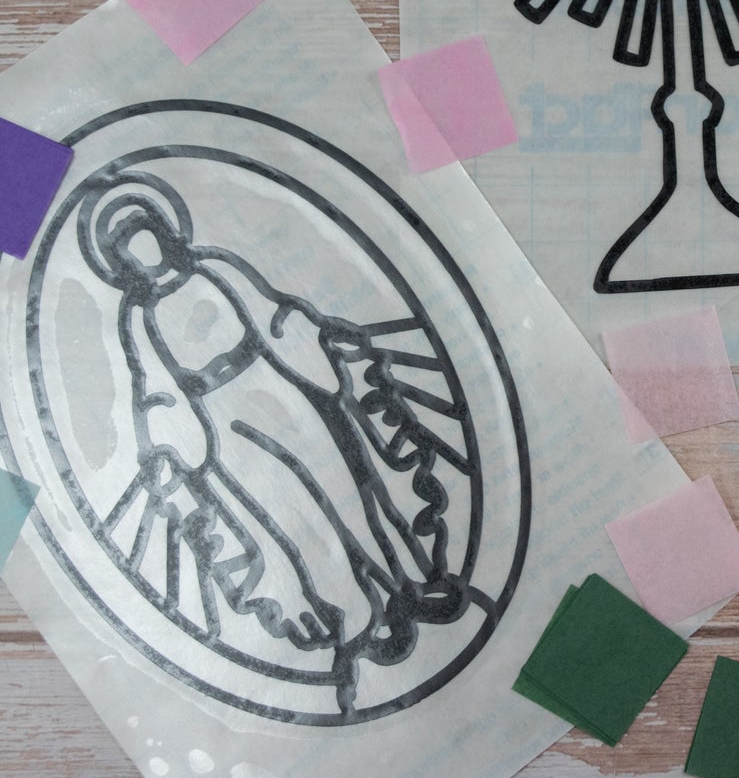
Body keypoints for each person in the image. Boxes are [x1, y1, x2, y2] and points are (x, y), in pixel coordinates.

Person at [75, 168, 470, 712]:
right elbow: (156, 391)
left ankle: (409, 584)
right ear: (124, 264)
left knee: (351, 489)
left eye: (147, 233)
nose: (145, 251)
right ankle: (353, 624)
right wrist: (178, 444)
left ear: (165, 231)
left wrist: (317, 350)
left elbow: (274, 316)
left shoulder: (213, 268)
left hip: (273, 385)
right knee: (298, 526)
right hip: (223, 423)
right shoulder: (139, 317)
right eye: (130, 248)